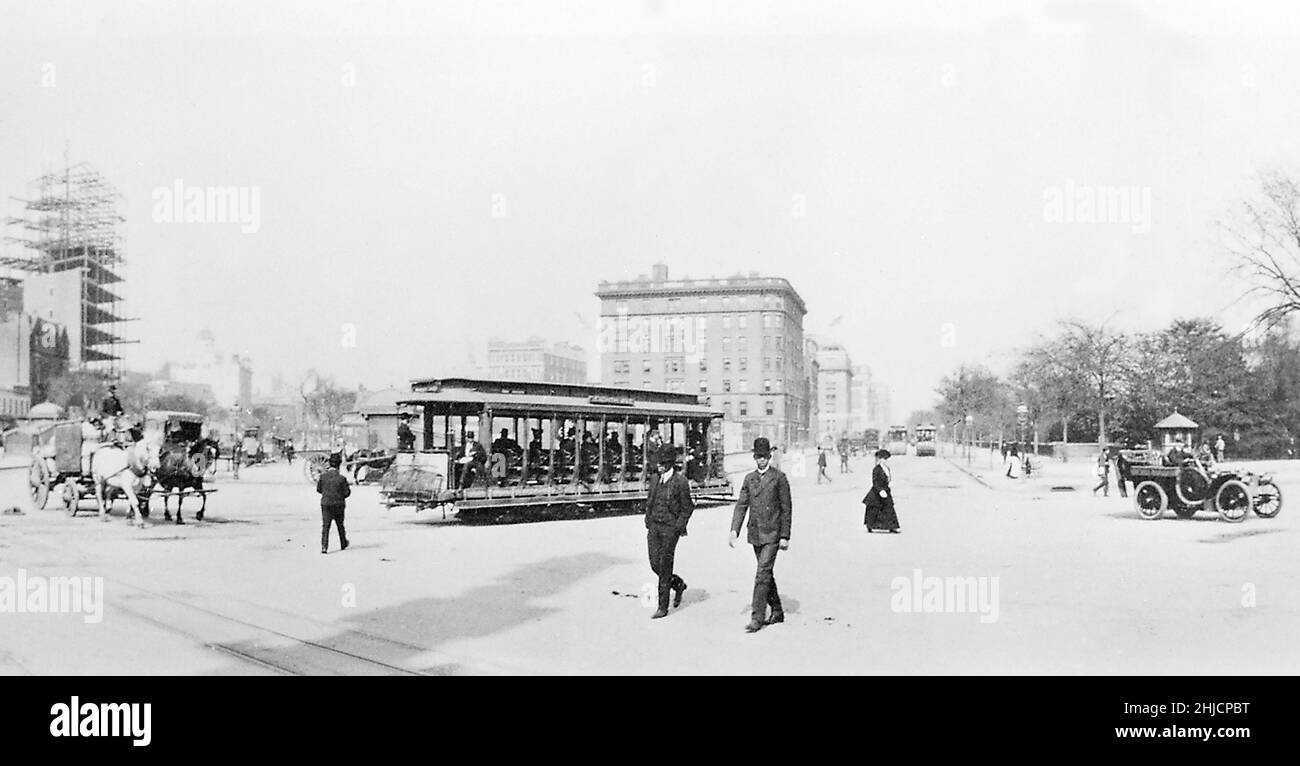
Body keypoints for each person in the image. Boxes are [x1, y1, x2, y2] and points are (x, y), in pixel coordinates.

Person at [730, 437, 792, 634]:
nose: (761, 461)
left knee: (762, 573)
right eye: (758, 457)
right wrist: (734, 530)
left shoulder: (779, 478)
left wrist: (785, 536)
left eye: (764, 457)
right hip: (756, 533)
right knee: (765, 573)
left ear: (770, 457)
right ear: (754, 457)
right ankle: (777, 610)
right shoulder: (749, 479)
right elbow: (741, 505)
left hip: (773, 534)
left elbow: (786, 509)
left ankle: (757, 617)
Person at [644, 447, 694, 619]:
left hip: (670, 529)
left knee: (665, 565)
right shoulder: (655, 479)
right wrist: (648, 519)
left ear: (669, 464)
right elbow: (650, 501)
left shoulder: (680, 482)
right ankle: (678, 584)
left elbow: (687, 507)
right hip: (654, 527)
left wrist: (677, 527)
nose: (658, 466)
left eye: (661, 463)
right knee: (654, 564)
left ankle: (662, 607)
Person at [316, 453, 351, 554]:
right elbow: (347, 493)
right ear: (338, 465)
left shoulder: (323, 477)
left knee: (326, 526)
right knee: (340, 525)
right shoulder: (342, 478)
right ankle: (343, 543)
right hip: (339, 504)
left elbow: (319, 489)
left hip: (326, 504)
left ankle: (324, 546)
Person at [863, 449, 900, 532]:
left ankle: (892, 526)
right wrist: (880, 490)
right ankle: (870, 525)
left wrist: (889, 483)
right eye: (884, 459)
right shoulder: (876, 469)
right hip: (876, 493)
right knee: (874, 510)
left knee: (889, 508)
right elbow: (875, 482)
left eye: (887, 459)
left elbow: (888, 478)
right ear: (880, 459)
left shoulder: (887, 468)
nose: (886, 461)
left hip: (886, 490)